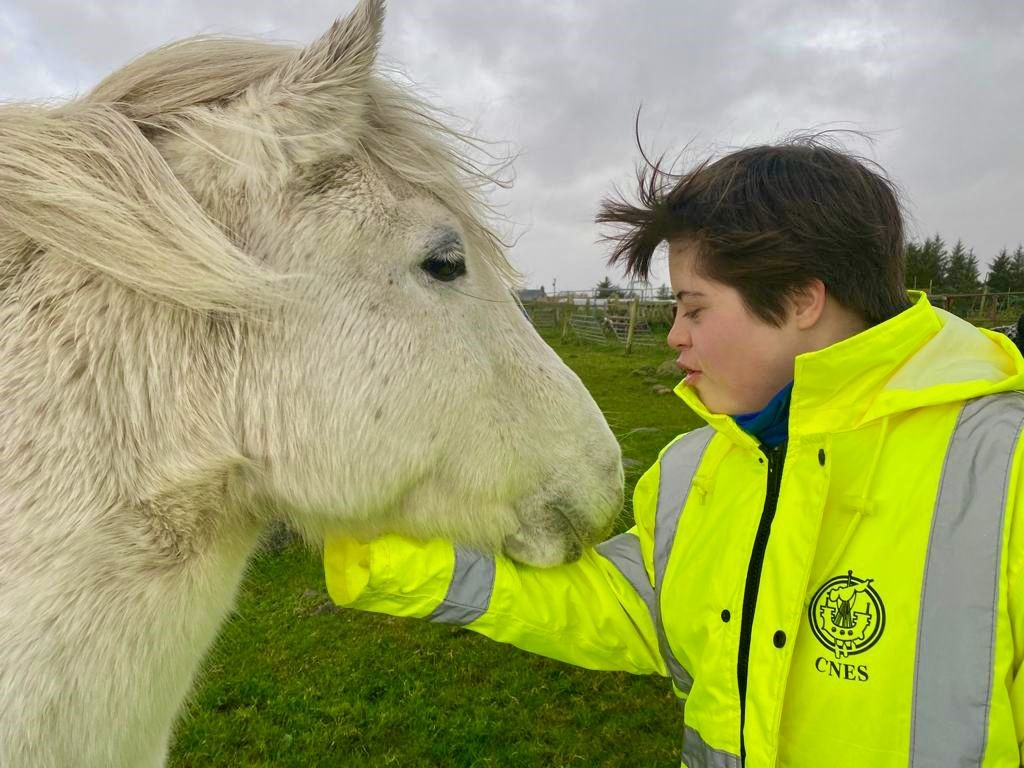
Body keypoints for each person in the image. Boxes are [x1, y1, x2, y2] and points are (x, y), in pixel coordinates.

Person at [324, 137, 1024, 767]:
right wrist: (384, 551)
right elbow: (632, 607)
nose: (675, 336)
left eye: (694, 308)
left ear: (800, 300)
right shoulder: (695, 468)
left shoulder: (1004, 470)